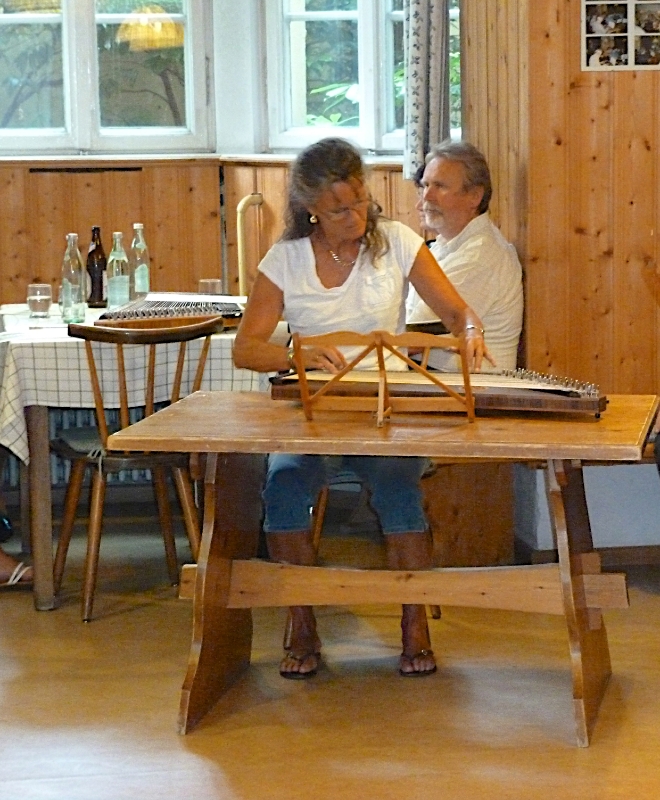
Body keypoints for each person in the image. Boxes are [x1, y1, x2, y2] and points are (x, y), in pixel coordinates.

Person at [233, 137, 491, 679]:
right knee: (283, 486)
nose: (354, 217)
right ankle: (301, 621)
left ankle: (414, 624)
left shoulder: (396, 242)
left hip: (383, 412)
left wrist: (470, 332)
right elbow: (246, 348)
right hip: (313, 413)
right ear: (310, 209)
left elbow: (457, 313)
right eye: (338, 210)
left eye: (360, 202)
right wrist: (295, 356)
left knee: (399, 489)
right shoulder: (285, 261)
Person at [406, 140, 524, 373]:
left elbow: (410, 339)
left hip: (471, 387)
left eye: (440, 186)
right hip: (433, 375)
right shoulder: (447, 244)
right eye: (425, 185)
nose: (426, 197)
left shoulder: (480, 256)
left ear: (474, 196)